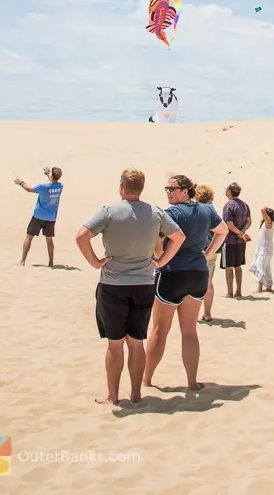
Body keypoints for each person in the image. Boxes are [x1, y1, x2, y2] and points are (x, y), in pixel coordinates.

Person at [75, 168, 185, 405]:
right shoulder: (155, 212)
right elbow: (179, 237)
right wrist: (161, 261)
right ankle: (136, 394)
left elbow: (81, 236)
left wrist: (95, 262)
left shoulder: (109, 211)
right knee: (136, 342)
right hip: (144, 283)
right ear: (141, 188)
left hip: (113, 284)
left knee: (115, 345)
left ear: (121, 188)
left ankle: (113, 397)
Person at [144, 175, 227, 390]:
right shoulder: (207, 210)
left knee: (159, 330)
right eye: (166, 189)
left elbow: (158, 241)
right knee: (189, 330)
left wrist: (161, 259)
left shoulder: (171, 213)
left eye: (172, 189)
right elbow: (222, 231)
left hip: (173, 273)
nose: (169, 193)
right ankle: (191, 382)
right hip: (197, 273)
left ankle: (147, 379)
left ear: (185, 190)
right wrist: (208, 254)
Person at [14, 165, 64, 267]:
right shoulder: (60, 187)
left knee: (29, 237)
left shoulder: (42, 187)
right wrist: (47, 174)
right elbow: (53, 182)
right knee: (49, 240)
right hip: (50, 218)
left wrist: (21, 183)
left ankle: (22, 261)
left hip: (38, 216)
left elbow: (29, 189)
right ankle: (51, 262)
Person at [221, 182, 252, 298]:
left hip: (229, 240)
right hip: (241, 240)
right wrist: (243, 232)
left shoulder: (228, 206)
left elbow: (229, 224)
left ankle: (230, 292)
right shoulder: (245, 205)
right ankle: (238, 291)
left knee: (229, 267)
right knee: (238, 266)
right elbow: (249, 221)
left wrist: (238, 232)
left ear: (229, 192)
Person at [196, 184, 219, 323]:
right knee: (208, 283)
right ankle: (207, 313)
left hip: (197, 250)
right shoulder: (213, 211)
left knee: (194, 283)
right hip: (211, 249)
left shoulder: (196, 210)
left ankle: (192, 313)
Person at [250, 207, 274, 292]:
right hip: (265, 248)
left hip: (265, 249)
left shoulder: (269, 222)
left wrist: (265, 209)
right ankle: (269, 286)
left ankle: (259, 288)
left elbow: (262, 210)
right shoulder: (267, 223)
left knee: (260, 267)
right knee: (266, 268)